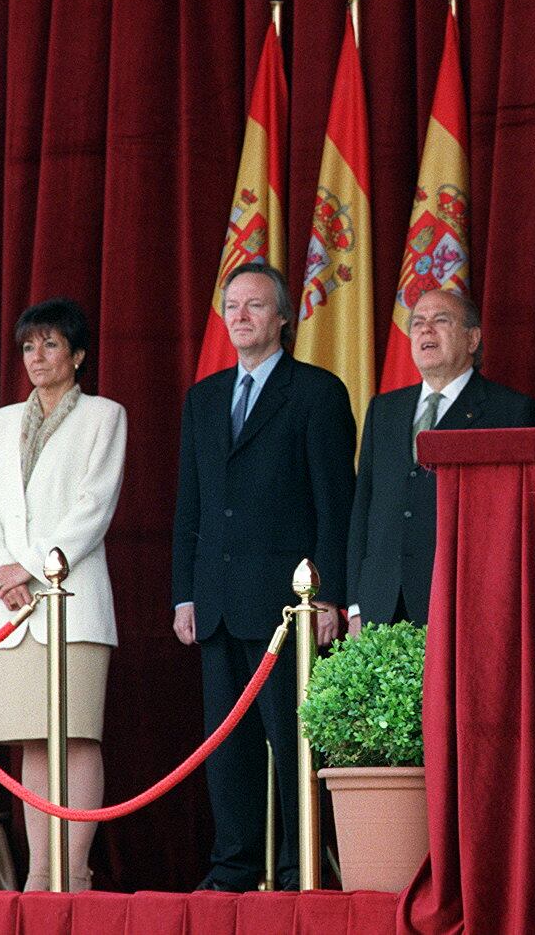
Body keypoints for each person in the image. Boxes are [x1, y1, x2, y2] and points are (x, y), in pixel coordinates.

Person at [171, 262, 355, 891]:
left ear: (282, 318)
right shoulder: (204, 397)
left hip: (288, 608)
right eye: (233, 306)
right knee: (227, 750)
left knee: (292, 740)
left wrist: (330, 595)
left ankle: (303, 867)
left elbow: (337, 504)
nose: (241, 316)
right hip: (218, 602)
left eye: (255, 305)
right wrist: (185, 593)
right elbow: (190, 506)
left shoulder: (316, 392)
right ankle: (235, 867)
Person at [0, 297, 126, 892]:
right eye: (29, 346)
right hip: (7, 608)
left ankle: (76, 871)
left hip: (72, 602)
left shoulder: (104, 416)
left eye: (51, 344)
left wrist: (26, 570)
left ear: (78, 355)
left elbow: (93, 511)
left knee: (77, 735)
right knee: (32, 738)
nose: (37, 356)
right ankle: (39, 873)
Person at [346, 288, 535, 630]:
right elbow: (364, 509)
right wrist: (357, 602)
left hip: (464, 600)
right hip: (382, 604)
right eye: (418, 323)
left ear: (472, 338)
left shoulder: (509, 411)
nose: (425, 330)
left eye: (441, 321)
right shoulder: (384, 410)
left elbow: (521, 519)